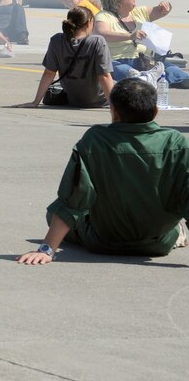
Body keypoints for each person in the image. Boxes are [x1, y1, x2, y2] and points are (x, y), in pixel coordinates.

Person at [17, 79, 189, 264]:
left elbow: (74, 197)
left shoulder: (95, 139)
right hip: (158, 243)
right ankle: (178, 234)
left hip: (103, 242)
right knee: (174, 225)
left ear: (114, 113)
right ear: (155, 111)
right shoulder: (176, 143)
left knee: (54, 215)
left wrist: (47, 249)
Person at [13, 6, 114, 108]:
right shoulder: (97, 41)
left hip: (74, 99)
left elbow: (49, 73)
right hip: (98, 99)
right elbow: (104, 76)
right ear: (89, 23)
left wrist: (35, 102)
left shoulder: (56, 40)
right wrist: (114, 107)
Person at [94, 0, 189, 87]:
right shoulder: (104, 16)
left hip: (145, 61)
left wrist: (166, 6)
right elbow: (103, 33)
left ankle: (148, 79)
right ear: (117, 0)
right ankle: (144, 79)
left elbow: (161, 11)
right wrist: (130, 36)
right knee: (125, 71)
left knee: (173, 70)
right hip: (118, 61)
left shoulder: (139, 12)